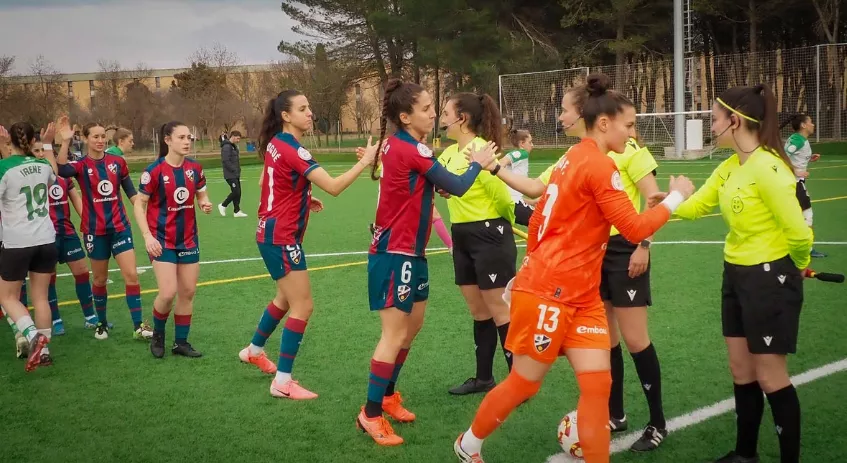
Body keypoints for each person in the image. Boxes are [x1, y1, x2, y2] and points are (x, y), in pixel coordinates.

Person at [453, 74, 695, 463]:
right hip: (551, 291)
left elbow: (537, 220)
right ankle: (469, 444)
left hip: (583, 294)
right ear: (604, 124)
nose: (633, 134)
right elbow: (633, 227)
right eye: (628, 125)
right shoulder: (597, 165)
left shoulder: (574, 157)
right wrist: (677, 198)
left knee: (598, 386)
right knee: (525, 383)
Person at [653, 85, 813, 463]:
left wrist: (799, 264)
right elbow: (697, 207)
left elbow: (798, 231)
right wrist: (670, 199)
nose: (712, 126)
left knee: (770, 375)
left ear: (735, 121)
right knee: (741, 369)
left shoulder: (770, 167)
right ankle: (746, 454)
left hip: (769, 277)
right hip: (736, 274)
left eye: (714, 119)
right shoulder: (728, 168)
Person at [355, 78, 494, 446]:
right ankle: (369, 414)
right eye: (427, 108)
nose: (434, 114)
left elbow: (424, 184)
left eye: (435, 107)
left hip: (411, 253)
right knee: (394, 333)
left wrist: (436, 183)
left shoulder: (405, 146)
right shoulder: (410, 148)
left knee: (412, 328)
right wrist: (477, 164)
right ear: (405, 115)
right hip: (393, 252)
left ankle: (387, 395)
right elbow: (460, 186)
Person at [237, 90, 376, 400]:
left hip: (271, 231)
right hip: (281, 237)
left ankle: (254, 350)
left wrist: (300, 196)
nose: (310, 112)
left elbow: (268, 183)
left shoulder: (276, 143)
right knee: (303, 305)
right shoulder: (293, 150)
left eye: (309, 106)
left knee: (285, 299)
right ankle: (283, 382)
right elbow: (335, 187)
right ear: (286, 116)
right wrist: (366, 161)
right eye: (303, 108)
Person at [438, 92, 517, 396]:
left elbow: (500, 195)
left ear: (462, 119)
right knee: (478, 311)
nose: (441, 119)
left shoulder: (482, 150)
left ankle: (517, 380)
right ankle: (484, 378)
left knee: (499, 310)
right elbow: (444, 182)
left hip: (489, 236)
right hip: (462, 236)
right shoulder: (447, 153)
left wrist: (520, 218)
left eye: (446, 113)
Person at [56, 118, 150, 341]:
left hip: (120, 228)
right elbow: (59, 168)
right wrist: (65, 142)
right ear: (87, 139)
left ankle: (139, 326)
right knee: (99, 280)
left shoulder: (117, 162)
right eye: (95, 136)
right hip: (94, 231)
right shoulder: (80, 165)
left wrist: (146, 206)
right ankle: (102, 323)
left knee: (132, 276)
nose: (99, 140)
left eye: (102, 136)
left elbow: (132, 194)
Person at [135, 121, 213, 359]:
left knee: (187, 292)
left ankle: (181, 342)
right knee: (168, 293)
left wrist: (204, 202)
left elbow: (201, 192)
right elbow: (140, 204)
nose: (187, 141)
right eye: (181, 137)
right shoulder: (154, 171)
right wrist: (147, 236)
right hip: (162, 240)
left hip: (188, 240)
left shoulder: (195, 168)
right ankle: (158, 334)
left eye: (189, 137)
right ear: (167, 140)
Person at [0, 121, 62, 371]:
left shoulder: (4, 167)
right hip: (46, 239)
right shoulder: (42, 164)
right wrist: (47, 144)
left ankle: (32, 334)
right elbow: (53, 177)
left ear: (9, 141)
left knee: (6, 296)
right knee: (41, 297)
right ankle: (44, 352)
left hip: (17, 242)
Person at [32, 131, 98, 336]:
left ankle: (90, 317)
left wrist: (88, 222)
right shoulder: (33, 178)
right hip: (45, 236)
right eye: (37, 151)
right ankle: (56, 319)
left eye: (44, 150)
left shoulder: (62, 178)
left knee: (81, 271)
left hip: (67, 233)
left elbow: (77, 200)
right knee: (49, 278)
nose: (41, 154)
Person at [781, 114, 825, 258]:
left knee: (795, 215)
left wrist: (808, 159)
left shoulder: (800, 140)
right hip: (794, 183)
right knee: (807, 215)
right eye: (810, 122)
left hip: (795, 182)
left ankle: (793, 246)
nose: (813, 124)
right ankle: (807, 249)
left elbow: (793, 156)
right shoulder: (797, 140)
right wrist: (796, 170)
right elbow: (781, 156)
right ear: (803, 125)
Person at [500, 129, 534, 226]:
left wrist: (531, 202)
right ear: (522, 143)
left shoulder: (520, 156)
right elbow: (501, 163)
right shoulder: (521, 153)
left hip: (511, 202)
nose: (532, 145)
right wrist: (497, 168)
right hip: (513, 204)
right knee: (542, 223)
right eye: (530, 142)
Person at [218, 130, 246, 218]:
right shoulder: (226, 147)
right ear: (233, 136)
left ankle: (237, 211)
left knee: (238, 192)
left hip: (235, 174)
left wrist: (238, 170)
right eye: (237, 138)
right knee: (235, 192)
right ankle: (223, 205)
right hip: (230, 174)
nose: (238, 141)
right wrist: (234, 170)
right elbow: (226, 161)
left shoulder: (233, 147)